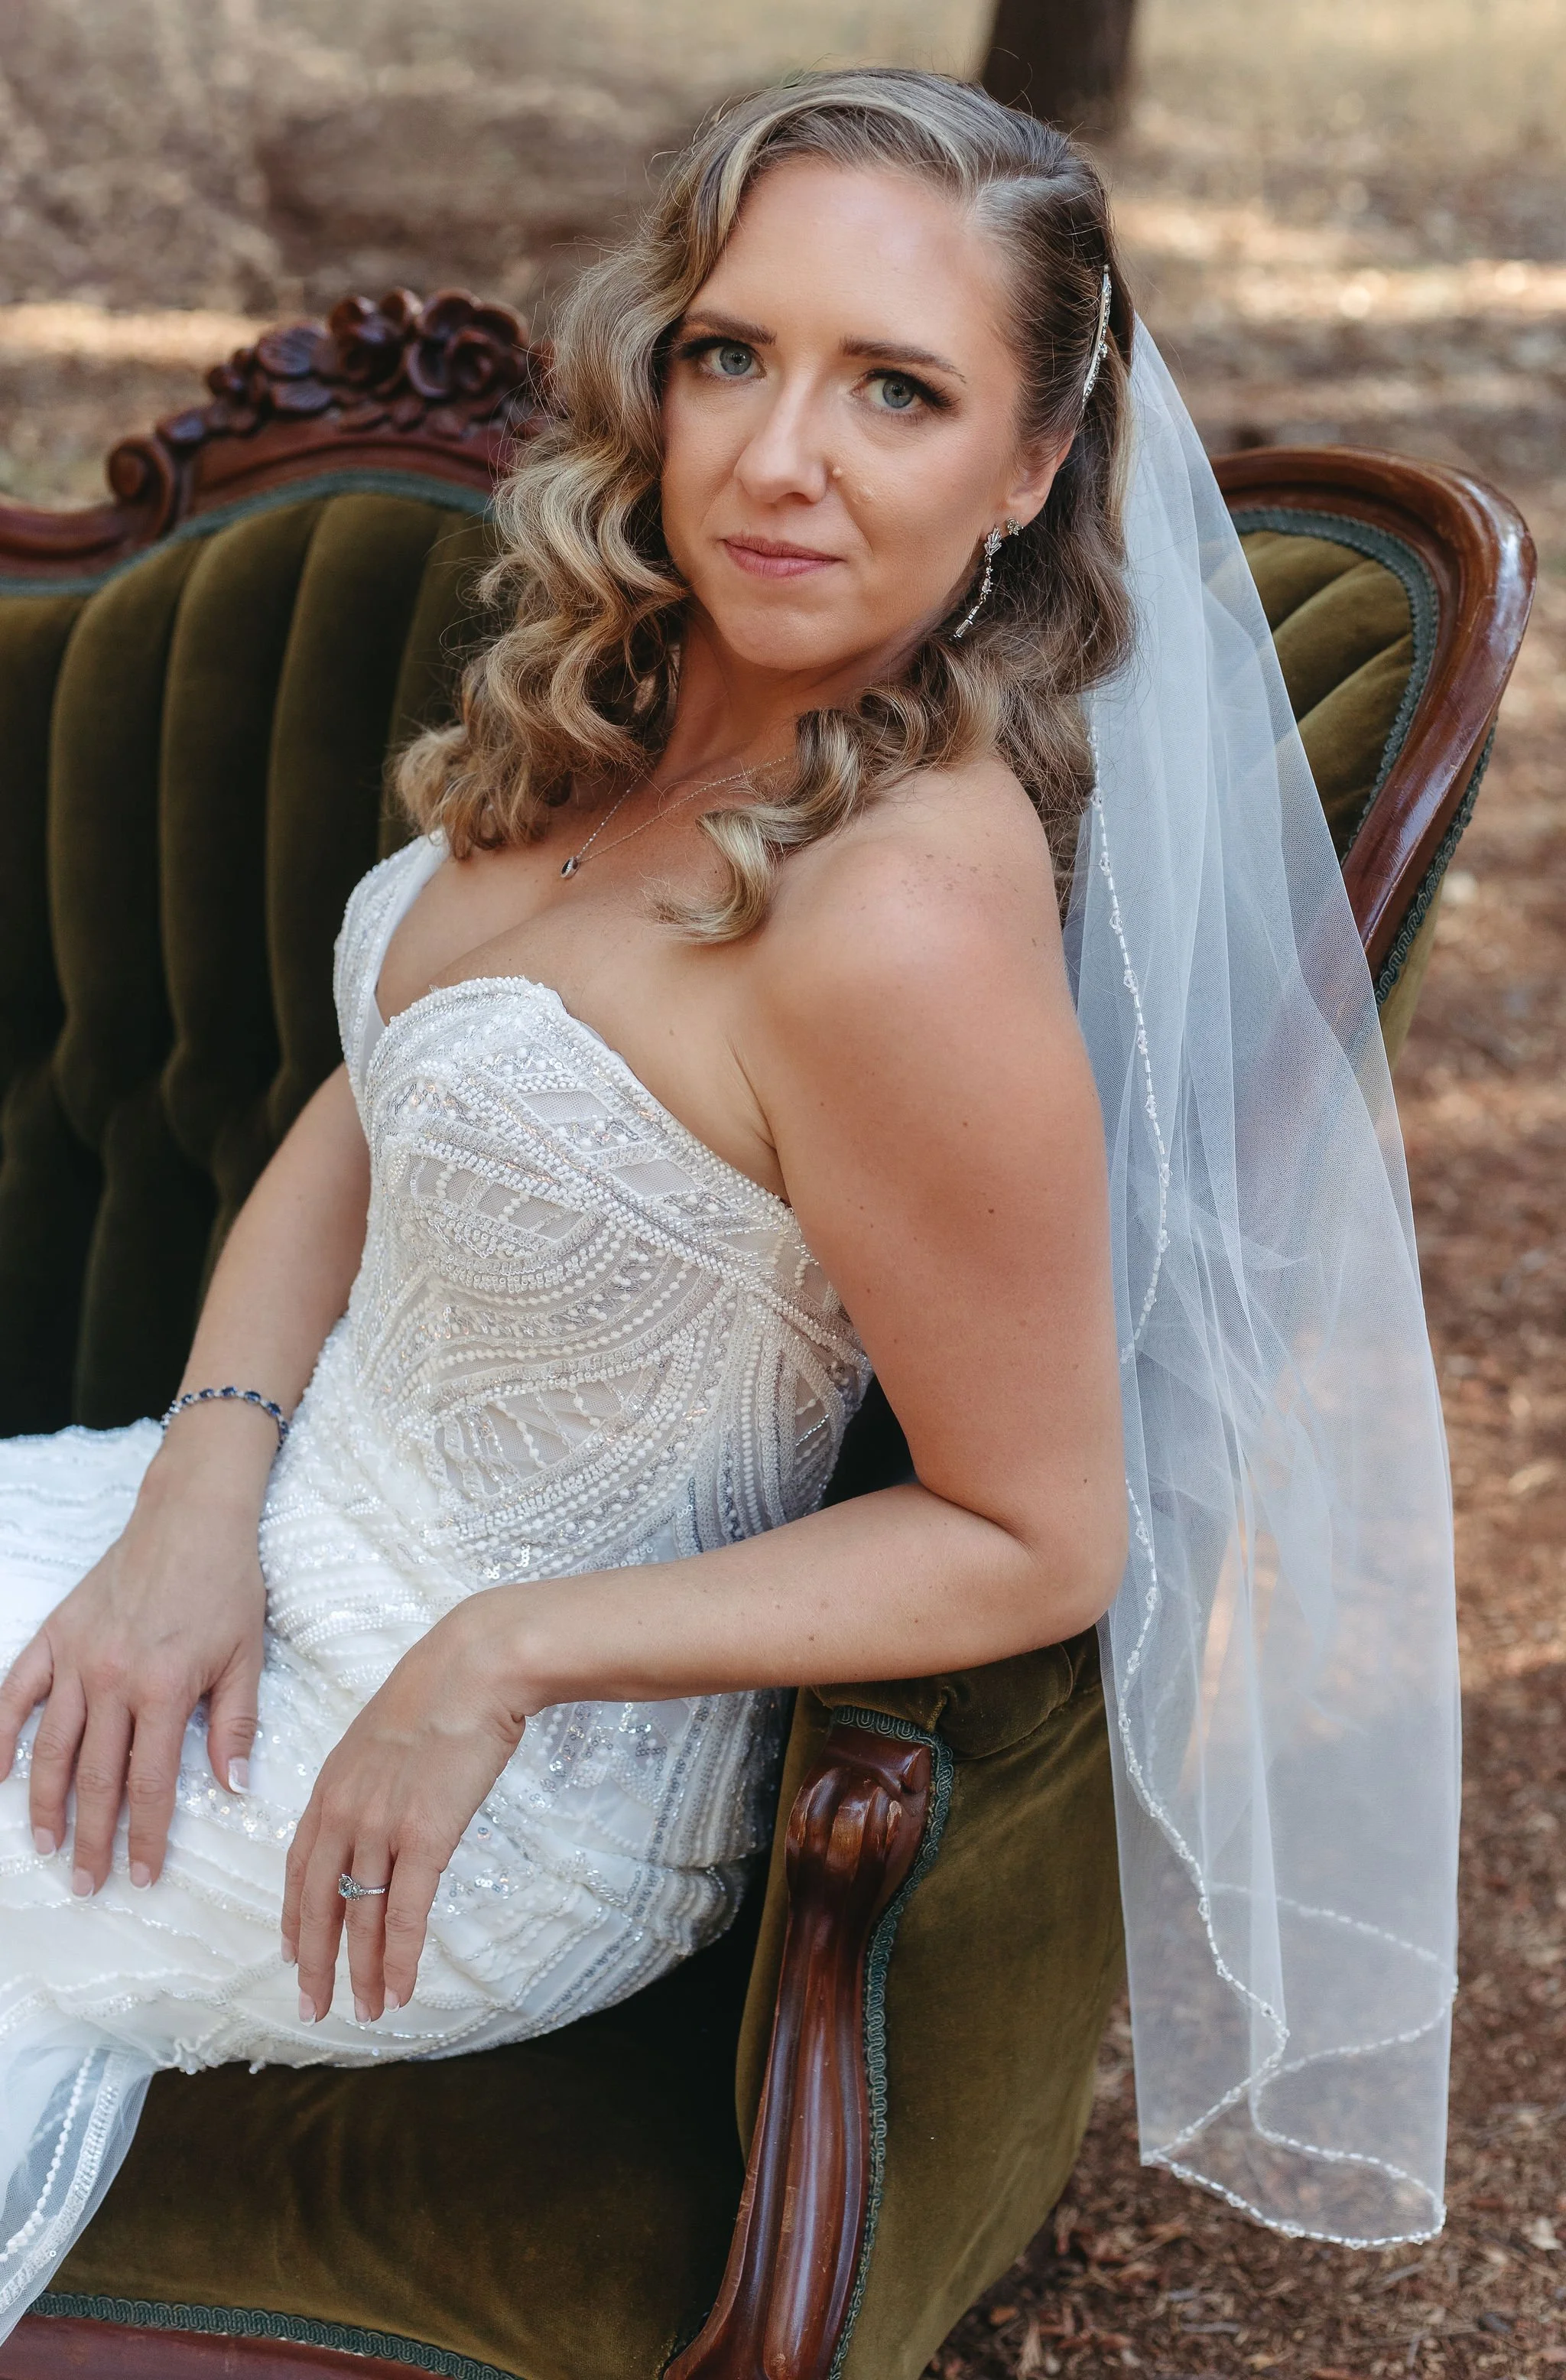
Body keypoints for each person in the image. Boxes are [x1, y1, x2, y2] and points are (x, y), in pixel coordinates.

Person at [0, 66, 1459, 2335]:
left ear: (1031, 468)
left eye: (899, 389)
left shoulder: (900, 931)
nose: (781, 458)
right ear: (656, 373)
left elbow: (1039, 1534)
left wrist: (503, 1650)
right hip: (247, 1548)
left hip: (508, 1784)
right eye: (732, 356)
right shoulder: (623, 693)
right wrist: (197, 1493)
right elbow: (364, 1112)